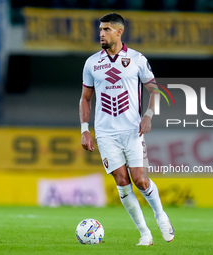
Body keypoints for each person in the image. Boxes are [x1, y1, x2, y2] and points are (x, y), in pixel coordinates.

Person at [79, 12, 174, 246]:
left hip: (132, 131)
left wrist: (149, 115)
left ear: (119, 32)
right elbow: (85, 98)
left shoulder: (137, 59)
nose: (101, 34)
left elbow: (155, 91)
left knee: (140, 181)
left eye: (106, 29)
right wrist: (84, 129)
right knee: (122, 181)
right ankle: (145, 234)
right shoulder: (92, 63)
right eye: (100, 29)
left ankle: (161, 216)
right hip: (106, 133)